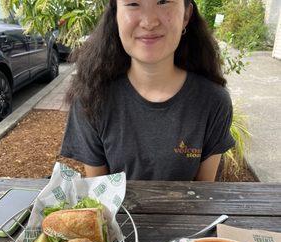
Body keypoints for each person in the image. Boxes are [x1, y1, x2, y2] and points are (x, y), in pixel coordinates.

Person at [60, 0, 235, 181]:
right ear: (116, 15)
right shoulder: (91, 99)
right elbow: (99, 197)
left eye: (164, 2)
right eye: (133, 4)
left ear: (186, 15)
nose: (149, 22)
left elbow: (202, 195)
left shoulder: (213, 101)